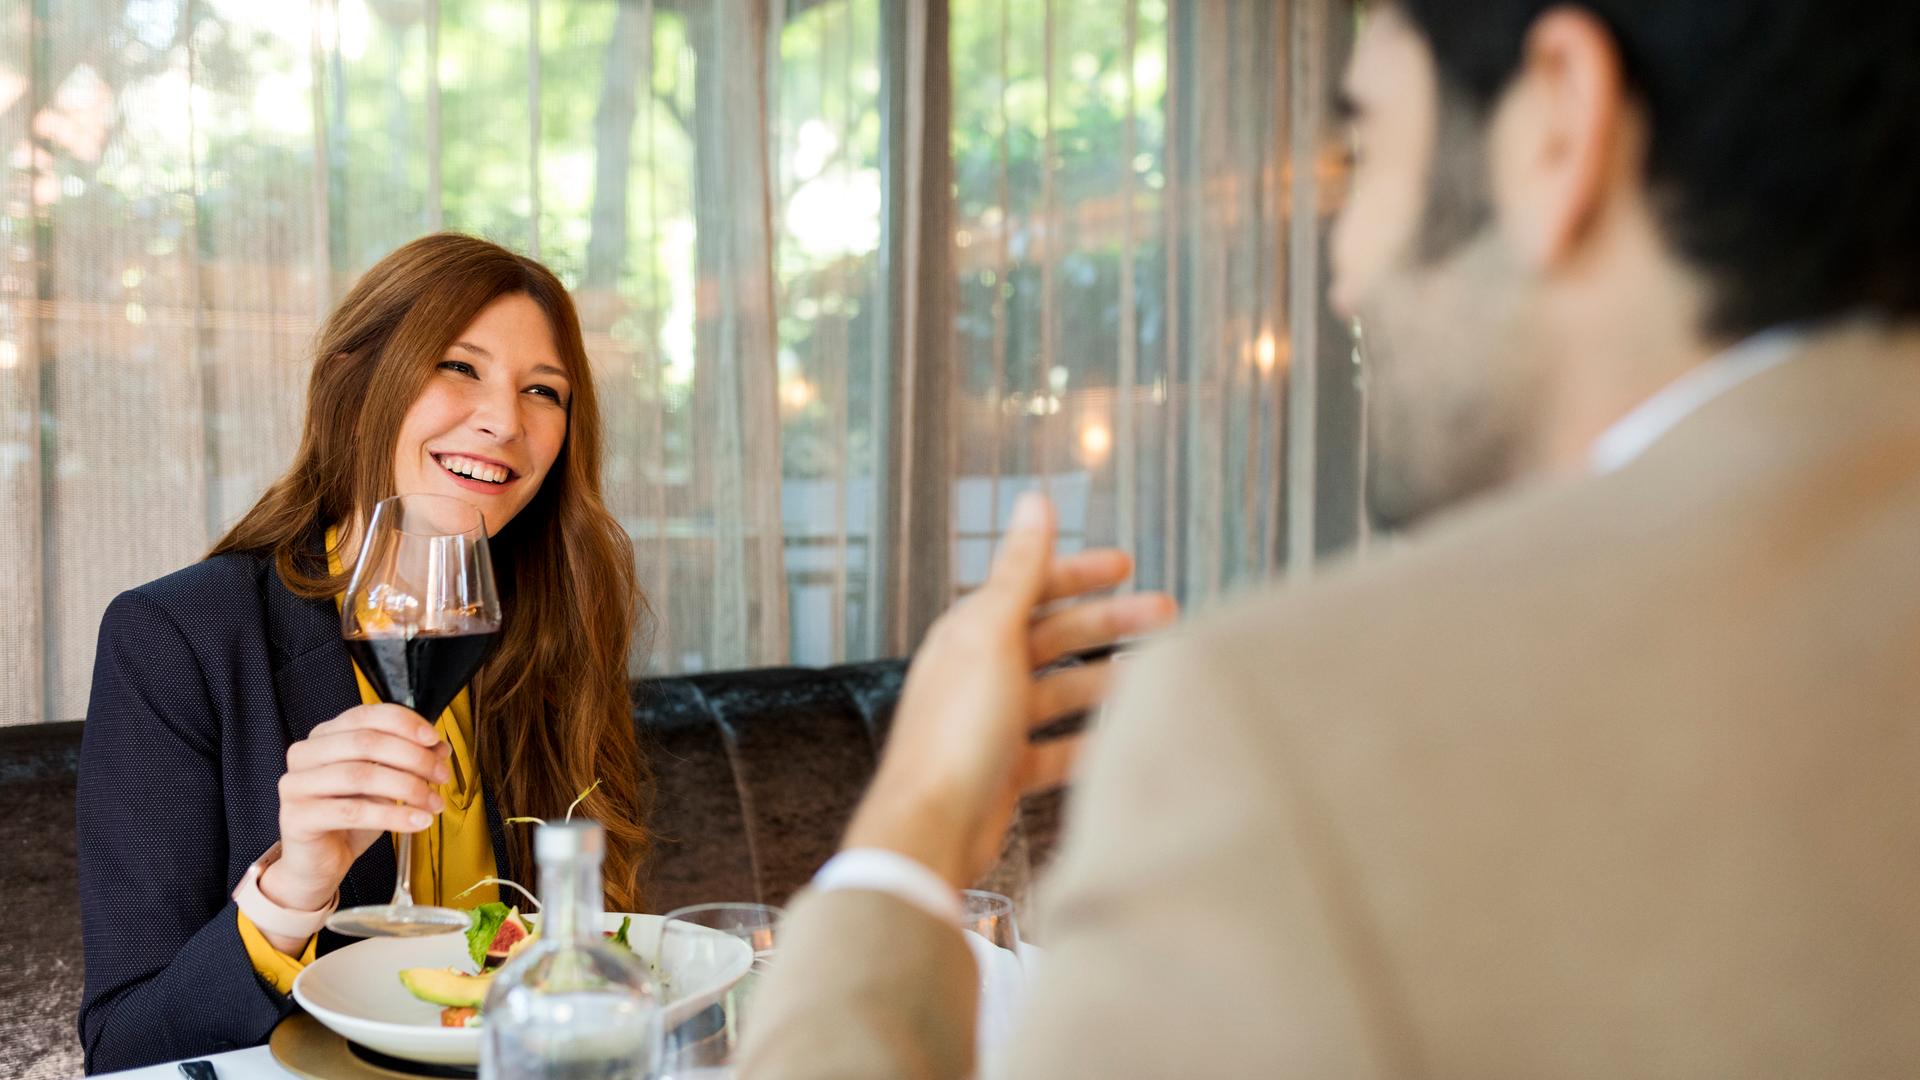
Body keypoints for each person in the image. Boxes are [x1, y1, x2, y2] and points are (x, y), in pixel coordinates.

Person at [743, 0, 1920, 1075]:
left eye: (1365, 156)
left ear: (1560, 120)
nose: (1344, 274)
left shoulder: (1289, 738)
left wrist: (907, 835)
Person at [76, 233, 653, 1072]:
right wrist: (294, 890)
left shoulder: (554, 630)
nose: (503, 419)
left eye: (544, 390)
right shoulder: (178, 639)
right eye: (460, 367)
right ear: (353, 381)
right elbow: (125, 1051)